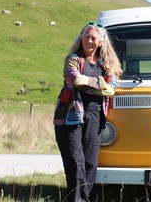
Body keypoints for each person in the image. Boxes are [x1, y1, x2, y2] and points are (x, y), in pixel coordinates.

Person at [53, 21, 123, 202]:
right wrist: (100, 83)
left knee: (91, 163)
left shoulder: (106, 64)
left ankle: (87, 199)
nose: (89, 41)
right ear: (81, 38)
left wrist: (90, 83)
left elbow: (111, 90)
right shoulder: (74, 60)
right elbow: (75, 79)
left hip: (95, 115)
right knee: (76, 163)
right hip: (70, 116)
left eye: (93, 38)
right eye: (86, 37)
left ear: (100, 41)